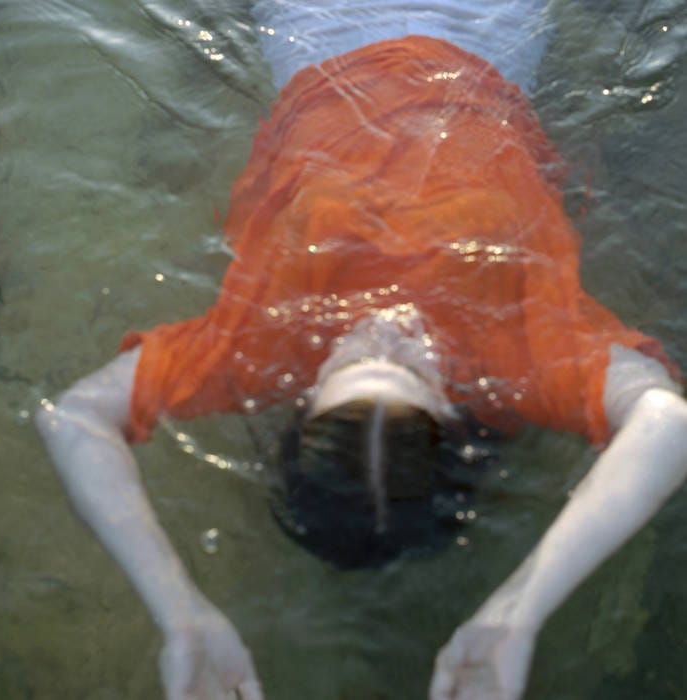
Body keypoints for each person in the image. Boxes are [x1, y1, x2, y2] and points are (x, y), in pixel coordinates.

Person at [36, 1, 687, 699]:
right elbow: (667, 423)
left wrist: (182, 616)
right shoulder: (517, 359)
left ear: (306, 396)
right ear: (454, 407)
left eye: (354, 361)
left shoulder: (262, 348)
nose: (387, 328)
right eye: (413, 367)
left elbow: (73, 418)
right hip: (487, 29)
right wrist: (517, 614)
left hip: (318, 26)